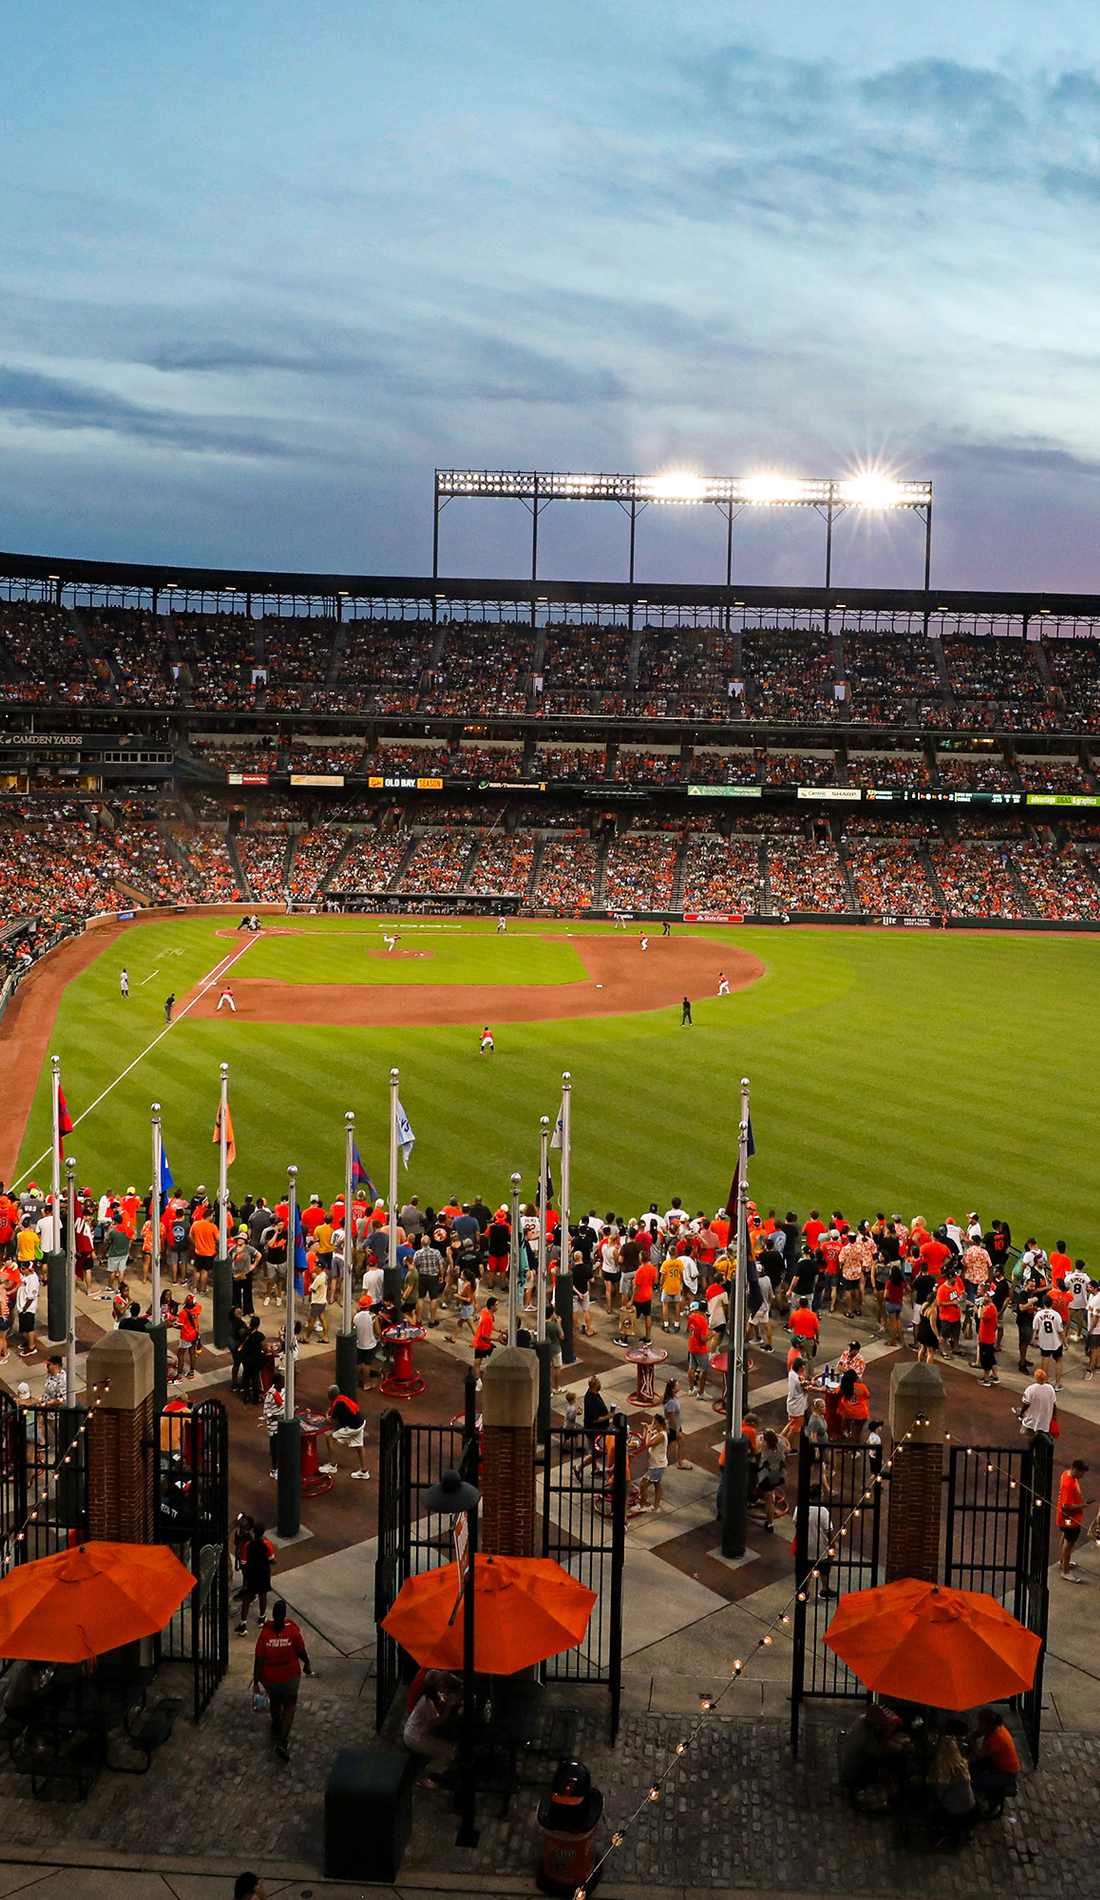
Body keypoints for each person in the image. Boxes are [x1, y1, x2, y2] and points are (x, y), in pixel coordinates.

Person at [253, 1599, 313, 1761]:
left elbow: (258, 1659)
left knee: (275, 1701)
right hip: (290, 1676)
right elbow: (301, 1651)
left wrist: (256, 1683)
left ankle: (277, 1724)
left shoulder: (265, 1635)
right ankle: (283, 1739)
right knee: (289, 1706)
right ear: (285, 1615)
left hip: (270, 1678)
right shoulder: (293, 1632)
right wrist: (307, 1664)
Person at [403, 1670, 461, 1789]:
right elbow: (439, 1721)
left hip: (416, 1732)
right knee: (448, 1752)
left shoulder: (431, 1695)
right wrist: (449, 1707)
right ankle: (423, 1776)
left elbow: (441, 1700)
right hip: (415, 1737)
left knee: (441, 1745)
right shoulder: (427, 1702)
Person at [968, 1706, 1020, 1809]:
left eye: (981, 1724)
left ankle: (982, 1805)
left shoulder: (996, 1739)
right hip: (997, 1762)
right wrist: (973, 1735)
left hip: (1006, 1772)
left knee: (979, 1784)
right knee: (972, 1767)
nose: (979, 1726)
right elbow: (979, 1732)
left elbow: (980, 1755)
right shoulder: (995, 1728)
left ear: (988, 1725)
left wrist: (972, 1741)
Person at [319, 1384, 370, 1478]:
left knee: (330, 1438)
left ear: (330, 1396)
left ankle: (332, 1465)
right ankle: (364, 1471)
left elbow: (331, 1420)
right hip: (361, 1423)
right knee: (359, 1447)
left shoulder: (338, 1405)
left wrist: (326, 1415)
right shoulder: (343, 1398)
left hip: (353, 1427)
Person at [237, 1523, 275, 1633]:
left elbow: (243, 1562)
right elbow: (272, 1560)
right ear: (263, 1533)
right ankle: (262, 1618)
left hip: (251, 1575)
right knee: (263, 1595)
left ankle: (243, 1624)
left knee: (247, 1598)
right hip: (263, 1574)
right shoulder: (267, 1544)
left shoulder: (248, 1545)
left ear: (254, 1532)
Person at [1057, 1459, 1089, 1581]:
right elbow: (1066, 1505)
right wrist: (1082, 1505)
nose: (1082, 1477)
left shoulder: (1065, 1474)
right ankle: (1065, 1571)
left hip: (1066, 1518)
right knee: (1069, 1543)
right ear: (1075, 1470)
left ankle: (1063, 1561)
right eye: (1081, 1473)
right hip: (1069, 1518)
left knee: (1065, 1537)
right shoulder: (1069, 1484)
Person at [1017, 1367, 1057, 1442]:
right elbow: (1054, 1403)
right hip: (1045, 1419)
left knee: (1030, 1436)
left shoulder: (1031, 1389)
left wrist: (1021, 1413)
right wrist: (1054, 1417)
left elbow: (1026, 1403)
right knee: (1043, 1437)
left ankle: (1031, 1451)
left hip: (1032, 1418)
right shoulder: (1050, 1388)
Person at [263, 1370, 285, 1475]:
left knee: (283, 1446)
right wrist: (276, 1417)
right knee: (275, 1448)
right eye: (281, 1382)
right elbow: (266, 1412)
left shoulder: (285, 1391)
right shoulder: (270, 1395)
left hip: (284, 1424)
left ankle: (282, 1465)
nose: (283, 1383)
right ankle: (275, 1469)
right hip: (274, 1427)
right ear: (276, 1383)